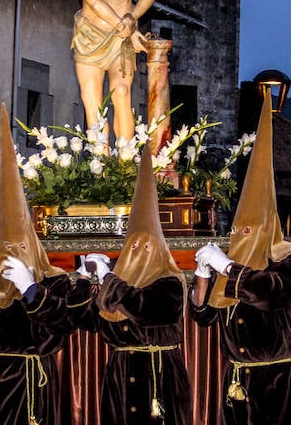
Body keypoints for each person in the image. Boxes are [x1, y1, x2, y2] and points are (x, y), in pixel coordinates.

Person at [0, 104, 93, 425]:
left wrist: (32, 291)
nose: (11, 253)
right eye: (5, 246)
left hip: (26, 387)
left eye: (20, 245)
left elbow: (62, 327)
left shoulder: (49, 280)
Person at [190, 95, 291, 425]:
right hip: (238, 380)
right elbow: (203, 316)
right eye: (239, 229)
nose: (243, 235)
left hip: (280, 380)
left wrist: (227, 267)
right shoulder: (238, 258)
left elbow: (271, 293)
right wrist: (202, 274)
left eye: (249, 229)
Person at [80, 146, 192, 425]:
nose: (138, 252)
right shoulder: (117, 284)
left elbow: (145, 309)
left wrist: (109, 279)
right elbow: (90, 321)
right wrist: (83, 282)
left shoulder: (169, 282)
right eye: (133, 246)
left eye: (146, 245)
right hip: (120, 378)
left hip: (159, 379)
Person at [70, 0, 157, 143]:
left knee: (121, 93)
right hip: (90, 35)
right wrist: (124, 25)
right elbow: (94, 0)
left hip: (121, 40)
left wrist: (133, 17)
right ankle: (101, 166)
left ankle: (125, 165)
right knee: (92, 102)